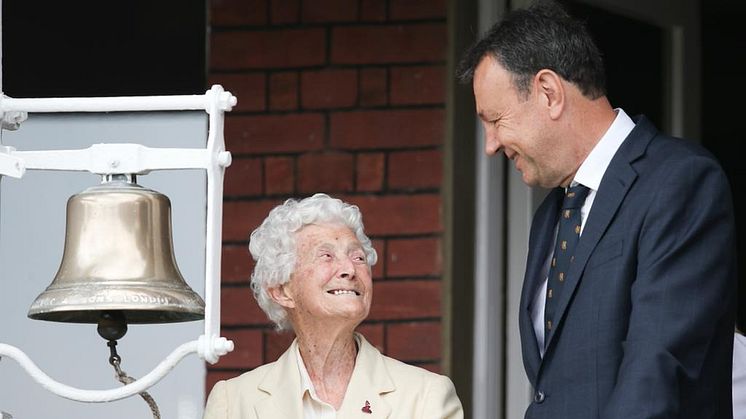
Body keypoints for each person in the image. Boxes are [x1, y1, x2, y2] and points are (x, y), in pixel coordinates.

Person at [457, 1, 737, 418]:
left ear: (549, 92)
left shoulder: (679, 182)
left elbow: (656, 372)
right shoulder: (551, 215)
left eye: (495, 120)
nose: (491, 144)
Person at [203, 193, 463, 419]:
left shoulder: (426, 396)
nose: (350, 269)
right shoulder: (233, 402)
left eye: (358, 257)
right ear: (282, 290)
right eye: (326, 255)